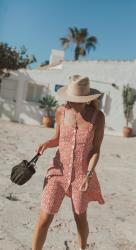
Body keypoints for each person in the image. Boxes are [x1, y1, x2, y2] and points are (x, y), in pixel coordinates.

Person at [32, 75, 105, 250]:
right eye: (70, 99)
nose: (72, 103)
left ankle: (82, 248)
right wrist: (46, 144)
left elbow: (96, 149)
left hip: (82, 175)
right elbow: (57, 139)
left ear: (86, 100)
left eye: (77, 100)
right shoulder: (61, 112)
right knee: (44, 217)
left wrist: (88, 174)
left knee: (80, 218)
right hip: (58, 171)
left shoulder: (98, 117)